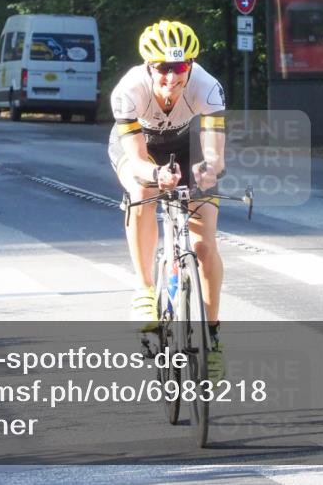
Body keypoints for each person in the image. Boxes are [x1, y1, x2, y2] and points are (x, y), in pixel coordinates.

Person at [108, 20, 227, 379]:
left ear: (190, 64)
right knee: (142, 191)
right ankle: (144, 289)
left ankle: (213, 338)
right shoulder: (128, 90)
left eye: (180, 67)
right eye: (162, 67)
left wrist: (209, 169)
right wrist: (155, 175)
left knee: (205, 244)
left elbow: (215, 155)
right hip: (139, 149)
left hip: (185, 145)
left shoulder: (208, 88)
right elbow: (140, 158)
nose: (171, 77)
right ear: (149, 66)